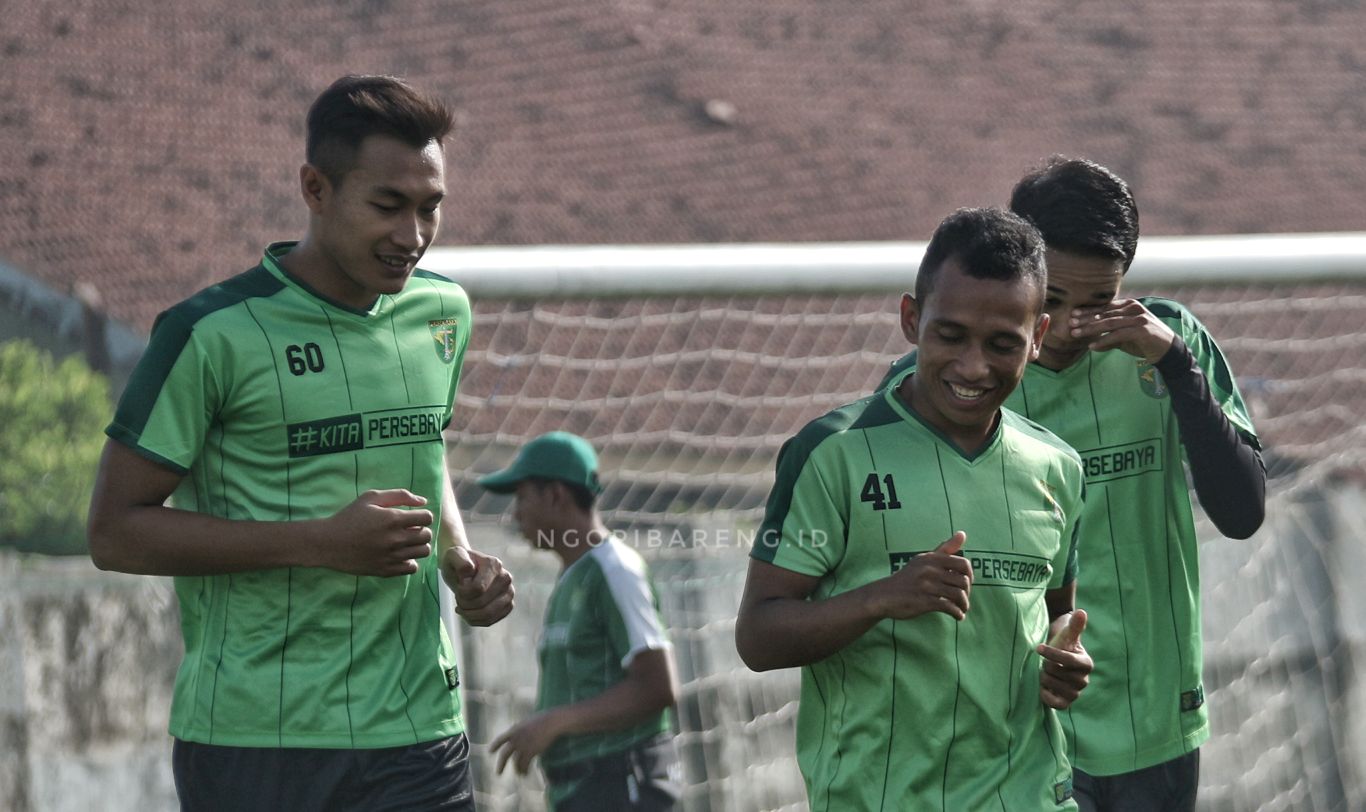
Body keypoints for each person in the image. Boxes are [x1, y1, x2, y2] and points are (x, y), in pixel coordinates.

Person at [86, 74, 514, 811]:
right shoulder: (209, 333)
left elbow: (425, 448)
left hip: (420, 732)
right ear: (316, 189)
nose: (412, 235)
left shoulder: (444, 311)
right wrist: (320, 541)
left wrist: (460, 561)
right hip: (258, 741)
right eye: (387, 206)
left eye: (429, 207)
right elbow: (116, 533)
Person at [876, 157, 1266, 811]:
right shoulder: (950, 377)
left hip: (1153, 723)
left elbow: (1243, 512)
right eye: (1051, 300)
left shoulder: (1171, 351)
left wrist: (1177, 367)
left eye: (1099, 301)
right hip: (1004, 733)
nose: (1074, 326)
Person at [737, 207, 1094, 811]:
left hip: (1031, 797)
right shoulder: (835, 452)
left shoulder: (1057, 466)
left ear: (1037, 339)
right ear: (912, 319)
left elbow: (1057, 615)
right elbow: (758, 638)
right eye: (950, 335)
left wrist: (1068, 657)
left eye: (1003, 344)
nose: (973, 366)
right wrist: (882, 597)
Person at [479, 431, 682, 811]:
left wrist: (552, 723)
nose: (515, 513)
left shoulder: (615, 569)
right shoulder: (574, 575)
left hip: (624, 786)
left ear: (555, 496)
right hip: (589, 790)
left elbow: (659, 686)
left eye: (522, 498)